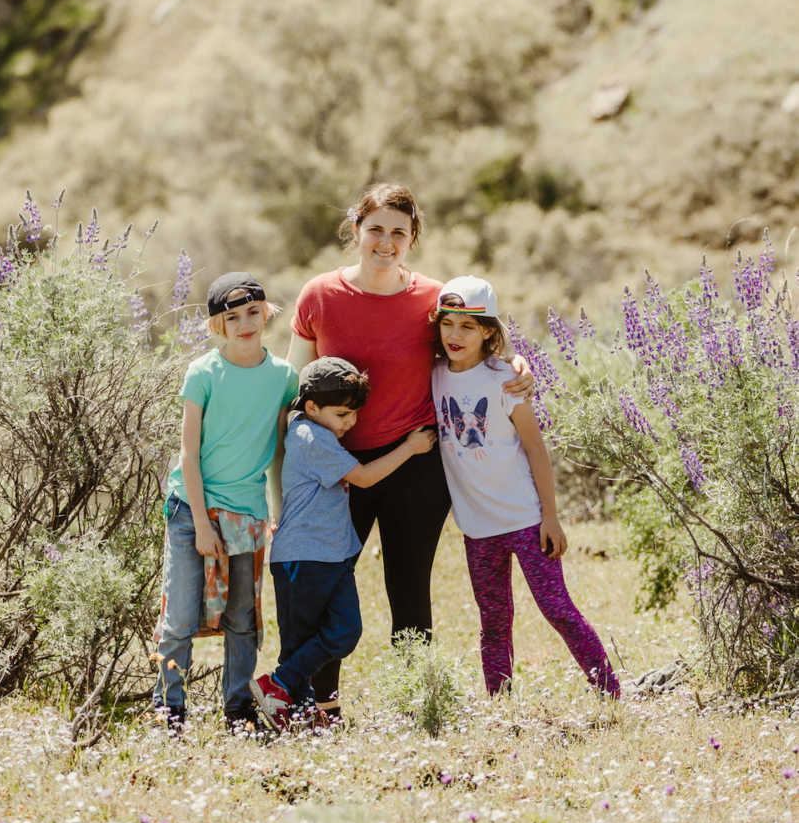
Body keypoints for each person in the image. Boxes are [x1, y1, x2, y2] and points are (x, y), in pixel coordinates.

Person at [288, 182, 532, 710]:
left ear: (412, 238)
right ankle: (320, 705)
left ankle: (416, 703)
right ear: (356, 230)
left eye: (398, 232)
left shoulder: (431, 297)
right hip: (338, 468)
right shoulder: (320, 295)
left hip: (417, 460)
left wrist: (516, 363)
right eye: (375, 229)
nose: (385, 241)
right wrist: (280, 482)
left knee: (409, 587)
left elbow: (474, 344)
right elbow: (294, 391)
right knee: (329, 584)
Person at [431, 275, 621, 698]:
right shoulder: (435, 374)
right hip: (477, 528)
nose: (455, 335)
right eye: (448, 324)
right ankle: (500, 702)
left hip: (525, 520)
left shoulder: (506, 380)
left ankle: (610, 692)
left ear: (488, 332)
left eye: (468, 326)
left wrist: (550, 517)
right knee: (494, 620)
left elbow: (536, 449)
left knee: (557, 609)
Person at [251, 356, 436, 731]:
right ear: (312, 406)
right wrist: (412, 447)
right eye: (342, 414)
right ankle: (292, 704)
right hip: (303, 557)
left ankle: (282, 688)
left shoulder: (316, 431)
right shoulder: (309, 437)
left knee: (345, 630)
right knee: (303, 639)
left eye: (354, 413)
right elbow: (365, 478)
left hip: (330, 555)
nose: (350, 422)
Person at [153, 272, 298, 731]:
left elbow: (278, 451)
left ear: (266, 312)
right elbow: (188, 454)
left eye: (252, 312)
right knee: (178, 617)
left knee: (242, 620)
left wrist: (279, 513)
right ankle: (169, 709)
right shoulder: (203, 373)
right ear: (217, 326)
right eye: (231, 317)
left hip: (249, 515)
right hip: (190, 511)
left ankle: (237, 709)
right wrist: (199, 523)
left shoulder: (283, 378)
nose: (244, 324)